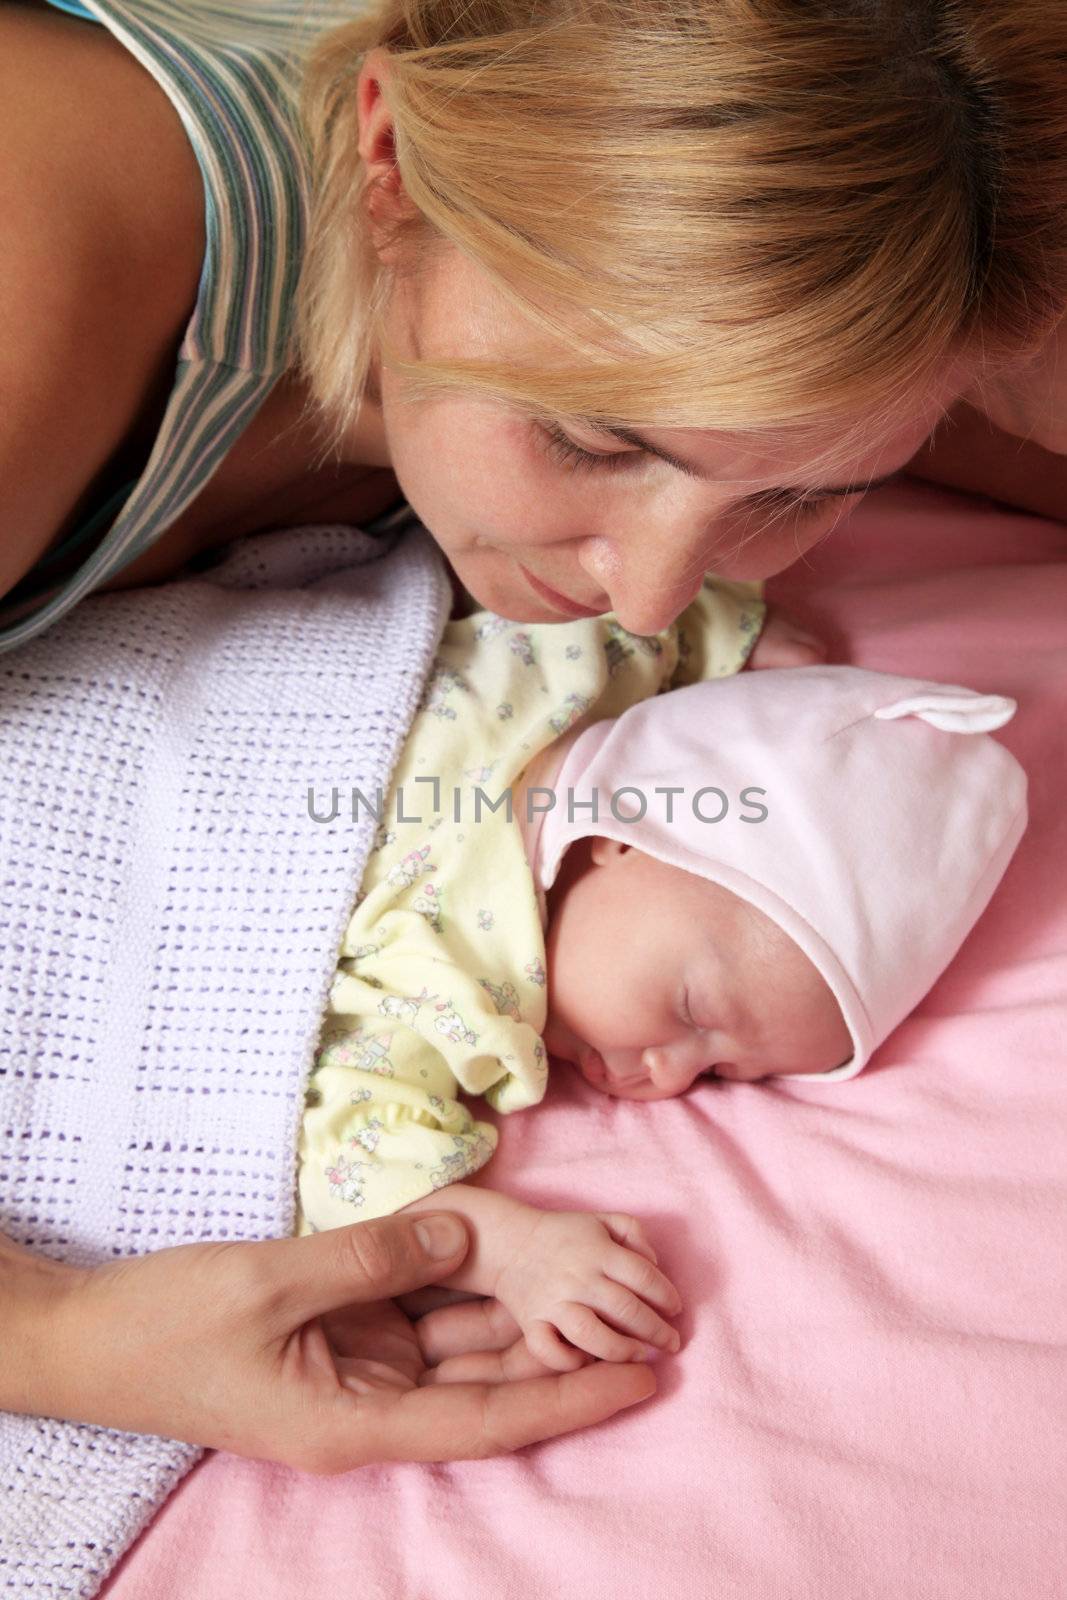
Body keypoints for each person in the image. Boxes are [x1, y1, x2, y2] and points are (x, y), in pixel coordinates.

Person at [0, 0, 1063, 1466]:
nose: (646, 596)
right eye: (594, 440)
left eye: (800, 496)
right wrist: (50, 1339)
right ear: (388, 162)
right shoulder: (34, 262)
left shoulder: (748, 338)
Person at [294, 578, 1025, 1375]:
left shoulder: (452, 993)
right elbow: (632, 607)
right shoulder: (574, 668)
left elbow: (354, 1148)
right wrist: (733, 625)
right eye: (690, 1009)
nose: (670, 1075)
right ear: (619, 835)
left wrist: (510, 1252)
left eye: (717, 1070)